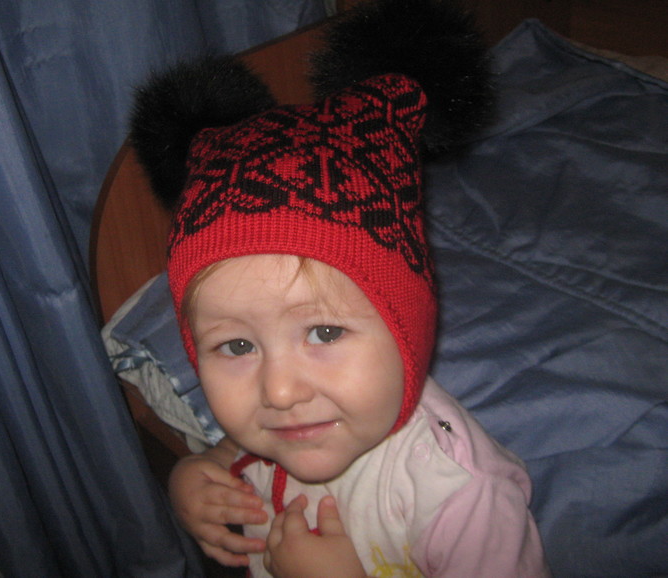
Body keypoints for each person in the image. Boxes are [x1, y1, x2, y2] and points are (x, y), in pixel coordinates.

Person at [130, 0, 551, 575]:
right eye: (237, 345)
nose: (279, 391)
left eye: (324, 332)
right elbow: (242, 451)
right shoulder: (287, 425)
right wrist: (194, 475)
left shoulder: (462, 502)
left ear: (407, 329)